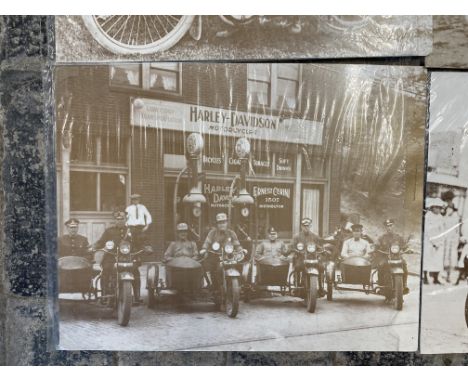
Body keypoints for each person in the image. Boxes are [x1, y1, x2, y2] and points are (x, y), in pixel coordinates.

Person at [93, 211, 143, 304]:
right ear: (115, 220)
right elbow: (101, 242)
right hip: (112, 256)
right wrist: (94, 247)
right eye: (117, 219)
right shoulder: (109, 231)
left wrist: (147, 247)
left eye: (122, 219)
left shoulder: (133, 231)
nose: (120, 221)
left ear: (126, 219)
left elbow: (141, 242)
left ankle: (137, 296)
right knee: (106, 270)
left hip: (129, 257)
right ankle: (105, 295)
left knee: (135, 270)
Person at [200, 213, 244, 290]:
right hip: (215, 256)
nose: (222, 224)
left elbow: (237, 244)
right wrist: (204, 249)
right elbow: (207, 242)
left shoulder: (231, 233)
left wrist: (241, 250)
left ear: (227, 223)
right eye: (219, 223)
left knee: (240, 265)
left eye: (223, 222)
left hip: (229, 257)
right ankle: (210, 284)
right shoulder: (212, 233)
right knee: (207, 266)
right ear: (217, 224)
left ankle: (239, 286)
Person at [289, 218, 325, 297]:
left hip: (313, 258)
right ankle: (296, 285)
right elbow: (291, 246)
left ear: (310, 226)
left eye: (307, 226)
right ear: (301, 226)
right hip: (301, 258)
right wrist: (293, 249)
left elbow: (320, 245)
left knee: (321, 267)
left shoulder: (315, 236)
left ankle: (321, 286)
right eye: (304, 226)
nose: (306, 227)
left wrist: (322, 249)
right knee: (297, 267)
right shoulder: (297, 236)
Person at [376, 218, 410, 294]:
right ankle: (381, 285)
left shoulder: (399, 237)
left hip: (397, 257)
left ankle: (404, 285)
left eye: (391, 226)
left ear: (393, 226)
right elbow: (376, 245)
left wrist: (407, 249)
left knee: (404, 264)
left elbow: (405, 246)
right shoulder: (382, 238)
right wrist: (375, 247)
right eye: (387, 226)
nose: (389, 228)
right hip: (385, 257)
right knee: (381, 265)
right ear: (385, 228)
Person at [423, 198, 446, 285]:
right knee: (427, 259)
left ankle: (436, 278)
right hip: (429, 241)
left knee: (438, 260)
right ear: (432, 207)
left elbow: (443, 230)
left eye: (440, 208)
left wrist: (440, 241)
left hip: (439, 241)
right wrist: (433, 242)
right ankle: (425, 277)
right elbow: (428, 231)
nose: (438, 209)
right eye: (436, 207)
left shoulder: (441, 217)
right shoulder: (428, 216)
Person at [443, 205, 460, 283]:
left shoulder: (455, 218)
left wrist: (455, 240)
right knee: (445, 258)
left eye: (450, 210)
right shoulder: (444, 218)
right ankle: (444, 274)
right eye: (447, 210)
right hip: (445, 241)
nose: (449, 211)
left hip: (452, 241)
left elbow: (457, 231)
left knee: (451, 258)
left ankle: (449, 275)